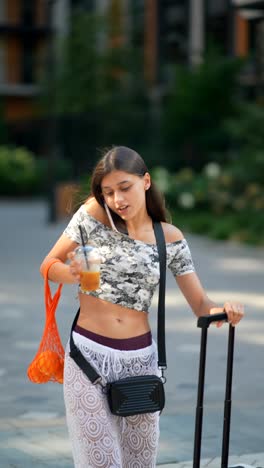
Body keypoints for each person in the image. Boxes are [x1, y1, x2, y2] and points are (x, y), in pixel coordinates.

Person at [40, 146, 244, 468]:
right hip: (88, 355)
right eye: (108, 192)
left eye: (125, 188)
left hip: (141, 362)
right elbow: (48, 265)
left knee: (139, 463)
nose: (117, 200)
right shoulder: (92, 215)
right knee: (101, 462)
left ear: (145, 181)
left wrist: (226, 310)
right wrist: (71, 272)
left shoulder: (169, 238)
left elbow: (202, 306)